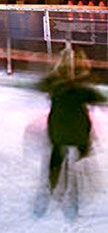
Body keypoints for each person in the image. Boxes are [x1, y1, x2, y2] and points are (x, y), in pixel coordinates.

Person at [34, 49, 103, 219]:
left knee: (56, 161)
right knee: (77, 163)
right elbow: (99, 97)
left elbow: (41, 85)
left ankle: (48, 194)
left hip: (59, 131)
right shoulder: (83, 86)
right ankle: (72, 200)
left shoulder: (55, 83)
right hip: (78, 133)